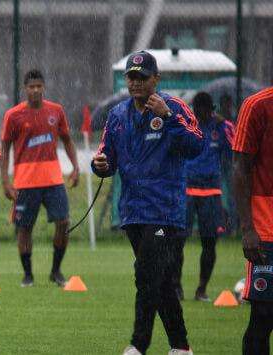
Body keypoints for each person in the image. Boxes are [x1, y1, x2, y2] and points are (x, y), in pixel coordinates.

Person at [91, 51, 203, 355]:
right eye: (131, 77)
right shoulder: (117, 115)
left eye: (142, 77)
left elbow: (196, 146)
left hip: (165, 211)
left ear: (156, 79)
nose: (135, 82)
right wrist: (100, 164)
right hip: (133, 211)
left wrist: (167, 117)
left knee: (146, 275)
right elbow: (107, 159)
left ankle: (138, 345)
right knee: (162, 282)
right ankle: (181, 346)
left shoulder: (175, 108)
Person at [0, 69, 79, 287]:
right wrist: (5, 181)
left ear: (44, 87)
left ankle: (56, 271)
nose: (35, 90)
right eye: (31, 86)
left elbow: (67, 140)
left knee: (63, 222)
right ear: (25, 89)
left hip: (53, 179)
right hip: (25, 182)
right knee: (25, 228)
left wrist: (75, 167)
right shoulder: (13, 115)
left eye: (39, 86)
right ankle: (28, 275)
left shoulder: (56, 111)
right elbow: (5, 148)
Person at [173, 92, 234, 302]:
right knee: (177, 241)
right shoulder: (185, 125)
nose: (202, 115)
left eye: (206, 112)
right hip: (186, 190)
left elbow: (233, 157)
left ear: (211, 109)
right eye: (198, 111)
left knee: (209, 242)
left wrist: (229, 198)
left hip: (211, 192)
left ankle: (201, 289)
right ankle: (177, 287)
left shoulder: (222, 127)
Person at [233, 87, 273, 354]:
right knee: (263, 316)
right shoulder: (257, 105)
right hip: (266, 229)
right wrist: (247, 228)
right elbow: (240, 167)